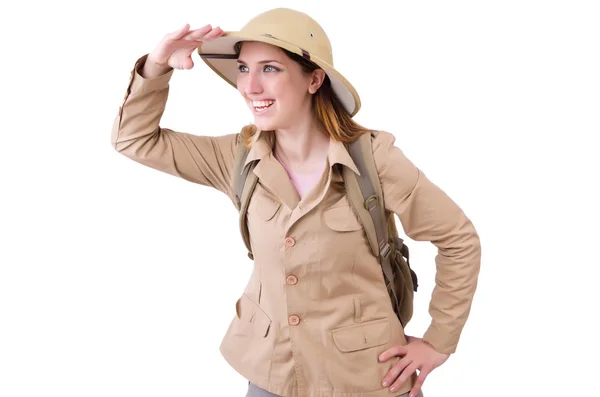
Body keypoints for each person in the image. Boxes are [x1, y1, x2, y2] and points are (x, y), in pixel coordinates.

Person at [111, 7, 481, 397]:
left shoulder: (373, 160)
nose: (250, 86)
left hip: (368, 378)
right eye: (243, 68)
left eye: (269, 69)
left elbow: (459, 240)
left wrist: (439, 340)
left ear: (314, 79)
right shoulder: (236, 157)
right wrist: (155, 67)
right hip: (273, 374)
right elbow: (134, 140)